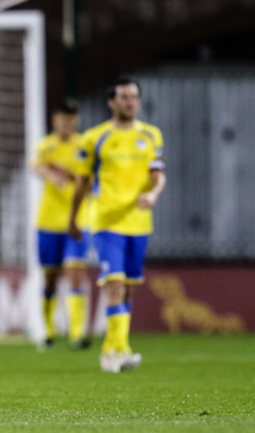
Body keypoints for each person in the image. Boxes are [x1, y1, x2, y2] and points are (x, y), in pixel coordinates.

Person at [68, 77, 166, 373]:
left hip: (138, 223)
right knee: (115, 285)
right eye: (123, 97)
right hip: (106, 221)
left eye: (133, 97)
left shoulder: (151, 135)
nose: (129, 102)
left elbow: (158, 174)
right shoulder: (95, 138)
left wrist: (153, 194)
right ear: (111, 102)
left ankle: (111, 348)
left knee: (128, 290)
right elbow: (82, 182)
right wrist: (74, 218)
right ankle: (120, 352)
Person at [32, 101, 93, 349]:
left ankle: (77, 333)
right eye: (62, 120)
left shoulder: (84, 147)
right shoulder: (45, 146)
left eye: (70, 120)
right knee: (51, 278)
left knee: (76, 273)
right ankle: (48, 330)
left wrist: (63, 173)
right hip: (48, 222)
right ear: (54, 121)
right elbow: (36, 166)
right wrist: (52, 174)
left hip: (78, 221)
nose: (66, 124)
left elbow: (89, 181)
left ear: (76, 122)